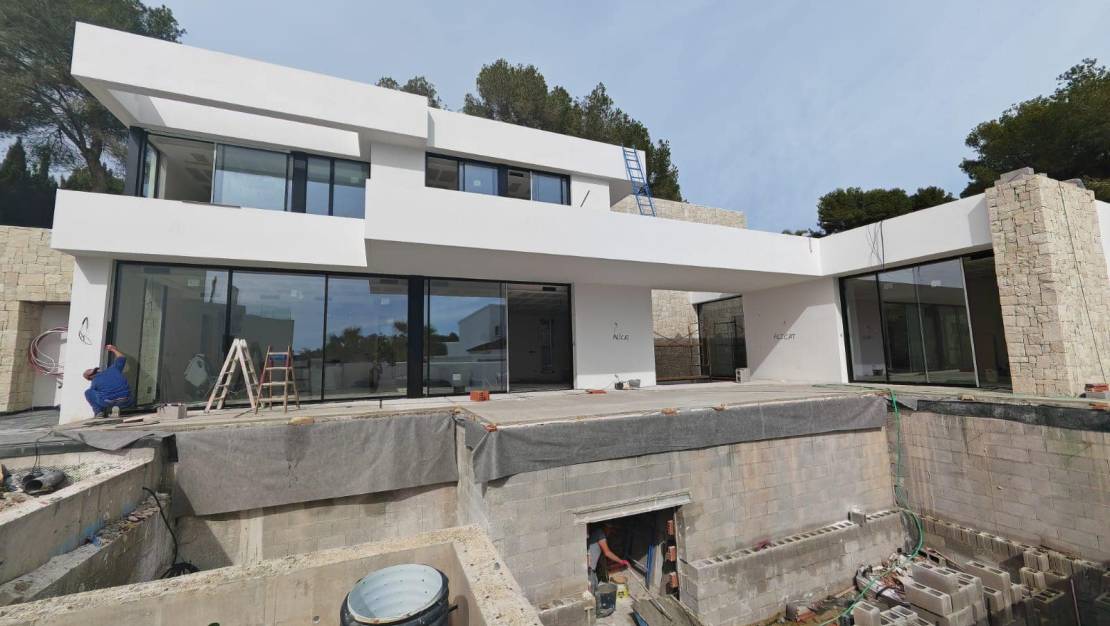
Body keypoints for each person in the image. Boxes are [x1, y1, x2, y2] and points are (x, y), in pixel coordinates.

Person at [83, 344, 133, 417]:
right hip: (127, 400)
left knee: (88, 392)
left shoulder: (95, 381)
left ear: (90, 378)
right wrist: (113, 349)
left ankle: (99, 413)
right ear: (98, 370)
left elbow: (95, 397)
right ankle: (118, 408)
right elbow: (122, 358)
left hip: (109, 402)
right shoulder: (114, 369)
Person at [587, 522, 629, 592]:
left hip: (590, 567)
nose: (610, 532)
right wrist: (621, 561)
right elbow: (607, 553)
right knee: (593, 587)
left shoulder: (596, 532)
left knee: (595, 584)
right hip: (589, 568)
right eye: (610, 529)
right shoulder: (600, 534)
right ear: (606, 527)